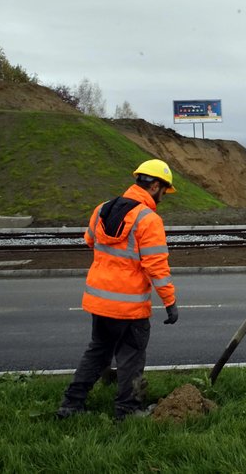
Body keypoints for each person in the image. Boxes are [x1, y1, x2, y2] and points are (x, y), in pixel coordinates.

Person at [57, 159, 180, 420]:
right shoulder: (149, 219)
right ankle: (127, 409)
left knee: (98, 351)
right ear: (155, 185)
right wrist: (170, 302)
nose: (163, 197)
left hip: (99, 302)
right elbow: (156, 267)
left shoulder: (102, 209)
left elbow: (89, 240)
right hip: (130, 307)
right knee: (131, 358)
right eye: (163, 191)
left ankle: (71, 404)